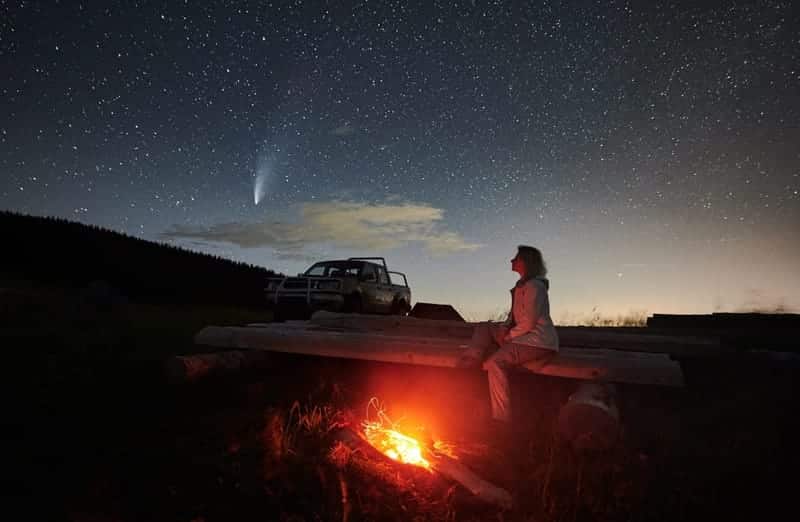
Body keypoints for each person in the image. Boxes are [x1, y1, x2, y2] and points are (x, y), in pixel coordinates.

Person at [457, 245, 559, 432]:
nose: (512, 261)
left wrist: (509, 336)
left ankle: (501, 419)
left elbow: (529, 323)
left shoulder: (535, 287)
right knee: (484, 327)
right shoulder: (521, 287)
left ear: (526, 262)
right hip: (521, 337)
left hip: (536, 341)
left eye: (516, 258)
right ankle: (471, 361)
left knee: (495, 363)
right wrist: (505, 329)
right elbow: (515, 319)